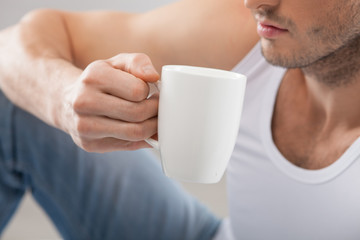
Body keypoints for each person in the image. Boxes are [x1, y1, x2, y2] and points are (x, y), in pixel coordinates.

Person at [0, 0, 359, 239]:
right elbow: (12, 44)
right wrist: (62, 98)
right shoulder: (255, 29)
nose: (253, 2)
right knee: (15, 97)